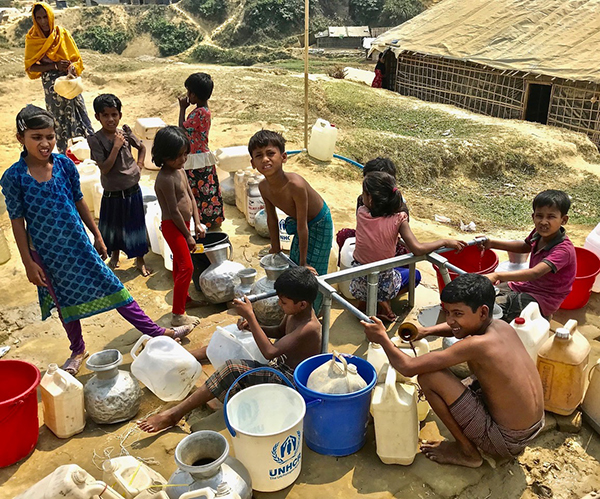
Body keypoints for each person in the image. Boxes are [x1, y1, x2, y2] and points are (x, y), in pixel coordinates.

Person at [0, 106, 198, 374]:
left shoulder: (64, 165)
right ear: (20, 138)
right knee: (64, 302)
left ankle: (159, 331)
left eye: (50, 136)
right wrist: (27, 262)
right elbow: (17, 221)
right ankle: (77, 348)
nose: (45, 143)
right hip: (45, 254)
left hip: (78, 245)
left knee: (116, 289)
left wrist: (97, 233)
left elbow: (79, 201)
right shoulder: (14, 178)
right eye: (37, 137)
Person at [362, 273, 545, 467]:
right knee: (466, 377)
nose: (449, 320)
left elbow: (407, 368)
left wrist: (382, 338)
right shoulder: (501, 326)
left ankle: (467, 453)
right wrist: (426, 331)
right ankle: (474, 439)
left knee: (429, 376)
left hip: (505, 441)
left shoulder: (478, 345)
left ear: (482, 312)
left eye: (457, 314)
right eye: (447, 312)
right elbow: (463, 328)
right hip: (532, 427)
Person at [137, 266, 322, 433]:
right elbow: (280, 331)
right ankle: (224, 392)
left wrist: (251, 316)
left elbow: (270, 352)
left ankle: (174, 414)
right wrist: (252, 326)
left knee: (232, 368)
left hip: (290, 379)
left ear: (302, 304)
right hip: (278, 366)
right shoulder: (295, 313)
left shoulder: (309, 327)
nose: (280, 305)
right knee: (230, 350)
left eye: (284, 302)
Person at [351, 172, 465, 322]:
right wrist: (444, 241)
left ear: (370, 199)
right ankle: (382, 301)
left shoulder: (362, 212)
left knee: (377, 271)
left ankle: (366, 303)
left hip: (357, 284)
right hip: (384, 286)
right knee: (415, 275)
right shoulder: (399, 219)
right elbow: (417, 249)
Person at [248, 130, 333, 312]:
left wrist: (303, 263)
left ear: (284, 157)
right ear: (253, 163)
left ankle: (313, 312)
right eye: (259, 156)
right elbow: (271, 218)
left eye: (270, 153)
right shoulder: (264, 187)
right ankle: (296, 309)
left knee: (311, 271)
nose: (265, 159)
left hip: (319, 222)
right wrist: (275, 246)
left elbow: (303, 226)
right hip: (300, 223)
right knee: (292, 264)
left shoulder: (295, 185)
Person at [481, 189, 576, 322]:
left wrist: (497, 275)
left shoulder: (563, 250)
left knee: (493, 309)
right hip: (526, 285)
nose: (543, 222)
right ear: (533, 217)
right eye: (539, 216)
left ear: (564, 220)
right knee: (485, 294)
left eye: (551, 217)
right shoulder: (538, 233)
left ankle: (542, 316)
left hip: (545, 297)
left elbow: (535, 273)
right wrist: (492, 243)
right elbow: (525, 247)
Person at [87, 93, 151, 276]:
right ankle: (115, 255)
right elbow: (105, 168)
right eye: (105, 115)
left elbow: (142, 147)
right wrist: (116, 146)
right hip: (112, 192)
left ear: (120, 115)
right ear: (97, 117)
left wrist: (139, 166)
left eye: (114, 114)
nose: (110, 119)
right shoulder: (95, 140)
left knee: (136, 225)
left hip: (132, 190)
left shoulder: (123, 134)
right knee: (114, 227)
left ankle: (140, 260)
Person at [153, 126, 207, 327]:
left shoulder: (180, 170)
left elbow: (190, 196)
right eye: (177, 156)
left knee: (179, 265)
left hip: (184, 224)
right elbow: (173, 210)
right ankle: (177, 314)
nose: (183, 159)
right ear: (163, 156)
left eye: (185, 154)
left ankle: (185, 300)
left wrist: (198, 222)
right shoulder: (165, 179)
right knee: (187, 267)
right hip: (172, 226)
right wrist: (188, 235)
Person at [24, 2, 93, 154]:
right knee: (58, 121)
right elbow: (31, 67)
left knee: (79, 116)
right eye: (39, 18)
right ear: (34, 19)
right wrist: (54, 66)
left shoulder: (61, 34)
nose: (43, 22)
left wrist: (72, 68)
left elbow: (76, 59)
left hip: (69, 83)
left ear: (51, 17)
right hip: (52, 89)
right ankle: (64, 155)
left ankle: (85, 155)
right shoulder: (33, 39)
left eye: (45, 17)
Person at [178, 72, 224, 230]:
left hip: (197, 159)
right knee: (205, 191)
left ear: (195, 95)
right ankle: (206, 221)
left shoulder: (200, 113)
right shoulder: (202, 110)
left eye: (189, 92)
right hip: (199, 157)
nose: (187, 95)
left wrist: (182, 109)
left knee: (200, 191)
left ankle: (205, 222)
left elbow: (181, 130)